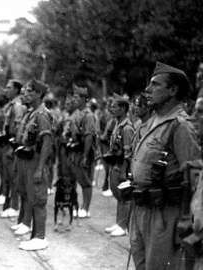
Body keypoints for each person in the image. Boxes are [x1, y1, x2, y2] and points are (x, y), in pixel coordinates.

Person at [130, 62, 199, 269]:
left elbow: (194, 176)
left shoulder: (180, 126)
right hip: (141, 207)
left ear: (173, 90)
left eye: (155, 85)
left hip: (164, 214)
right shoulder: (152, 121)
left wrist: (188, 218)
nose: (147, 91)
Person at [16, 79, 54, 251]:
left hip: (37, 161)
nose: (27, 94)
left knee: (38, 199)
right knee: (32, 197)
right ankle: (35, 236)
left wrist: (40, 168)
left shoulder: (42, 114)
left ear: (39, 94)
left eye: (30, 91)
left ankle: (40, 237)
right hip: (29, 160)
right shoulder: (33, 113)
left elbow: (47, 142)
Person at [103, 96, 134, 237]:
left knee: (124, 196)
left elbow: (128, 152)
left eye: (115, 106)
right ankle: (119, 222)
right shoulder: (117, 125)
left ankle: (123, 226)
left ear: (123, 109)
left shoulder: (127, 128)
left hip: (122, 165)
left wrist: (124, 170)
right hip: (114, 164)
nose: (111, 109)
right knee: (117, 194)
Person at [67, 86, 96, 218]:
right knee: (75, 178)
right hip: (74, 150)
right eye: (74, 96)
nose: (74, 99)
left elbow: (89, 136)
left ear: (85, 98)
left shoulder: (88, 115)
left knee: (85, 180)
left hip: (83, 151)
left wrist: (85, 155)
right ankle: (77, 205)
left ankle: (86, 208)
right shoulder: (76, 113)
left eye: (77, 97)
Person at [0, 79, 25, 218]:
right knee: (7, 174)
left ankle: (14, 205)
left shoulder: (17, 105)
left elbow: (18, 126)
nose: (6, 90)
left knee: (13, 176)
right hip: (6, 142)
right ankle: (8, 204)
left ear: (16, 90)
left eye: (9, 87)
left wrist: (12, 140)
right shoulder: (11, 104)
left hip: (12, 143)